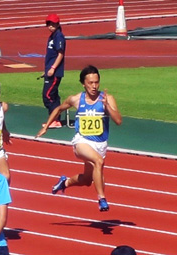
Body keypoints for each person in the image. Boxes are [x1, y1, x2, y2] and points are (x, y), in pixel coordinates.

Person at [36, 65, 122, 211]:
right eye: (90, 83)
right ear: (84, 83)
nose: (94, 86)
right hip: (81, 142)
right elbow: (59, 109)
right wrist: (46, 126)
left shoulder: (107, 99)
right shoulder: (76, 99)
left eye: (96, 82)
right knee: (98, 162)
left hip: (100, 144)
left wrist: (107, 107)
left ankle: (65, 183)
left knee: (87, 180)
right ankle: (102, 199)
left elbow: (118, 121)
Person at [41, 13, 66, 128]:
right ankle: (56, 120)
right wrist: (46, 70)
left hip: (55, 72)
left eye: (52, 24)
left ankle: (54, 118)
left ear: (57, 24)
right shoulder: (52, 36)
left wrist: (53, 68)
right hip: (50, 70)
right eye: (48, 24)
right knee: (54, 95)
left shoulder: (59, 36)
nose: (50, 26)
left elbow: (60, 54)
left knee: (48, 95)